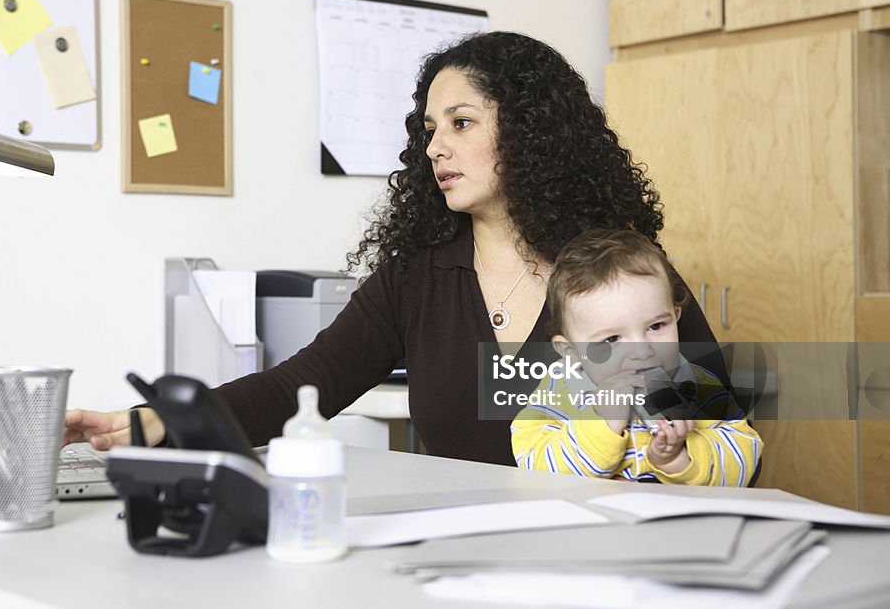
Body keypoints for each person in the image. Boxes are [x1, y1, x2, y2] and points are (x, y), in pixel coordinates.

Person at [64, 31, 723, 467]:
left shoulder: (624, 273)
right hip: (461, 566)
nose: (435, 147)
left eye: (462, 123)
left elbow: (726, 432)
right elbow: (298, 388)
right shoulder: (416, 279)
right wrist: (156, 422)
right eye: (430, 128)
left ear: (532, 132)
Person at [511, 228, 762, 485]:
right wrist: (603, 423)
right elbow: (535, 467)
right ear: (571, 352)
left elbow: (744, 456)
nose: (642, 352)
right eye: (611, 339)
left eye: (656, 326)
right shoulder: (561, 391)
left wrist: (679, 459)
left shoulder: (699, 388)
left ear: (675, 316)